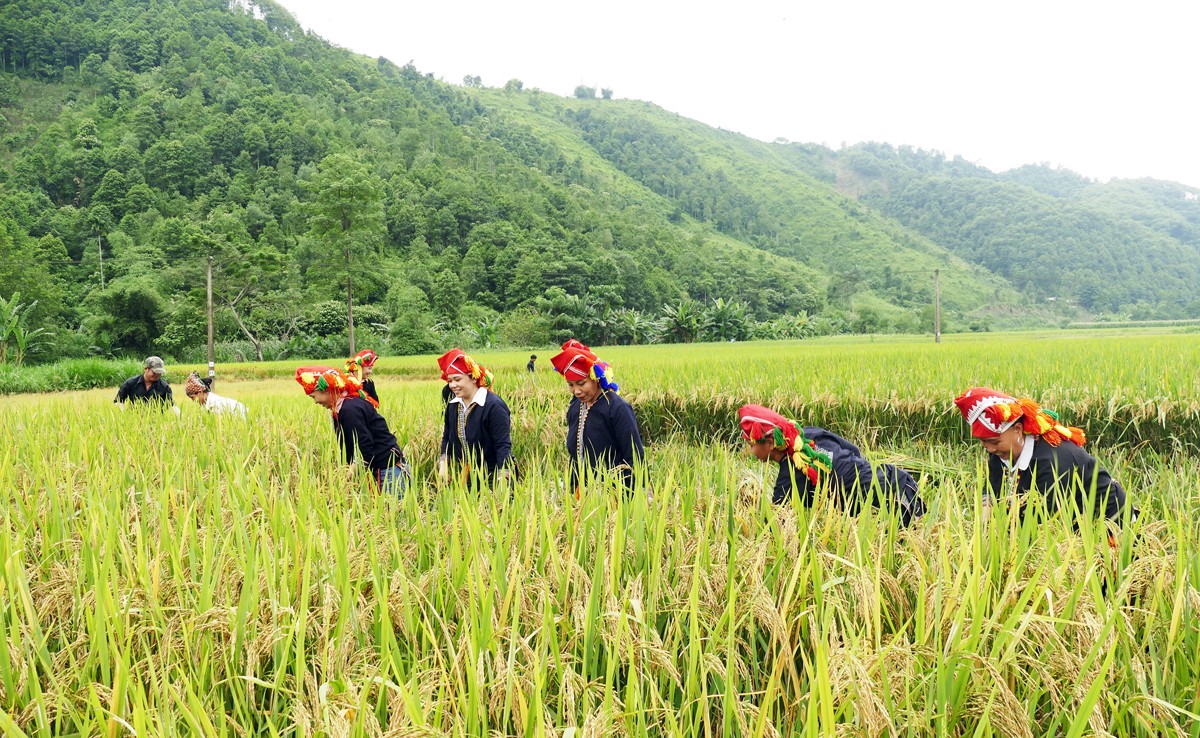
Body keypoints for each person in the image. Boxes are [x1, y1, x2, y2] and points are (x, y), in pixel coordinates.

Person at [953, 387, 1131, 525]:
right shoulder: (999, 455)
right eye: (984, 443)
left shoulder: (1051, 460)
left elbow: (1043, 522)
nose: (990, 449)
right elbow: (993, 491)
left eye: (995, 442)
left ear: (1018, 430)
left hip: (1108, 523)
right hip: (1071, 522)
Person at [737, 404, 926, 526]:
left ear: (770, 444)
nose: (751, 452)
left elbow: (774, 526)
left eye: (752, 445)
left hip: (893, 508)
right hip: (901, 481)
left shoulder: (792, 475)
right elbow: (852, 450)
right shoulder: (810, 434)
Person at [550, 341, 646, 497]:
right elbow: (575, 456)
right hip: (583, 493)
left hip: (615, 492)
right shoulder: (576, 408)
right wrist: (571, 490)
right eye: (571, 385)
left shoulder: (617, 407)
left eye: (581, 383)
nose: (576, 391)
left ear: (596, 378)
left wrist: (640, 491)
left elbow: (633, 454)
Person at [295, 366, 409, 496]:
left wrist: (347, 479)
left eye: (313, 396)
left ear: (326, 390)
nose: (315, 402)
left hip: (388, 472)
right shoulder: (344, 406)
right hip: (381, 469)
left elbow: (364, 449)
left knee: (394, 514)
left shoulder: (349, 409)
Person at [436, 348, 514, 486]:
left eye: (457, 379)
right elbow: (447, 437)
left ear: (473, 377)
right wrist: (443, 464)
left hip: (494, 474)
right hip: (465, 474)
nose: (453, 385)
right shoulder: (453, 406)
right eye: (449, 381)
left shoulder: (493, 406)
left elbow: (502, 444)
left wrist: (503, 478)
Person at [115, 356, 179, 413]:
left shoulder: (164, 387)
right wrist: (124, 416)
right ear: (146, 369)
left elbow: (171, 405)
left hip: (156, 420)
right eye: (154, 372)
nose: (157, 375)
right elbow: (118, 401)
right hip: (134, 418)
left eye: (159, 373)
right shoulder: (130, 383)